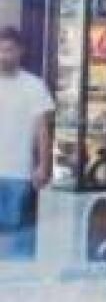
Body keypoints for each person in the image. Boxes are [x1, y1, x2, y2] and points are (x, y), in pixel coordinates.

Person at [0, 27, 53, 259]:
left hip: (18, 173)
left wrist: (44, 165)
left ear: (20, 51)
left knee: (14, 236)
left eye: (9, 50)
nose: (3, 55)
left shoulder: (34, 85)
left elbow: (43, 129)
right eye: (0, 50)